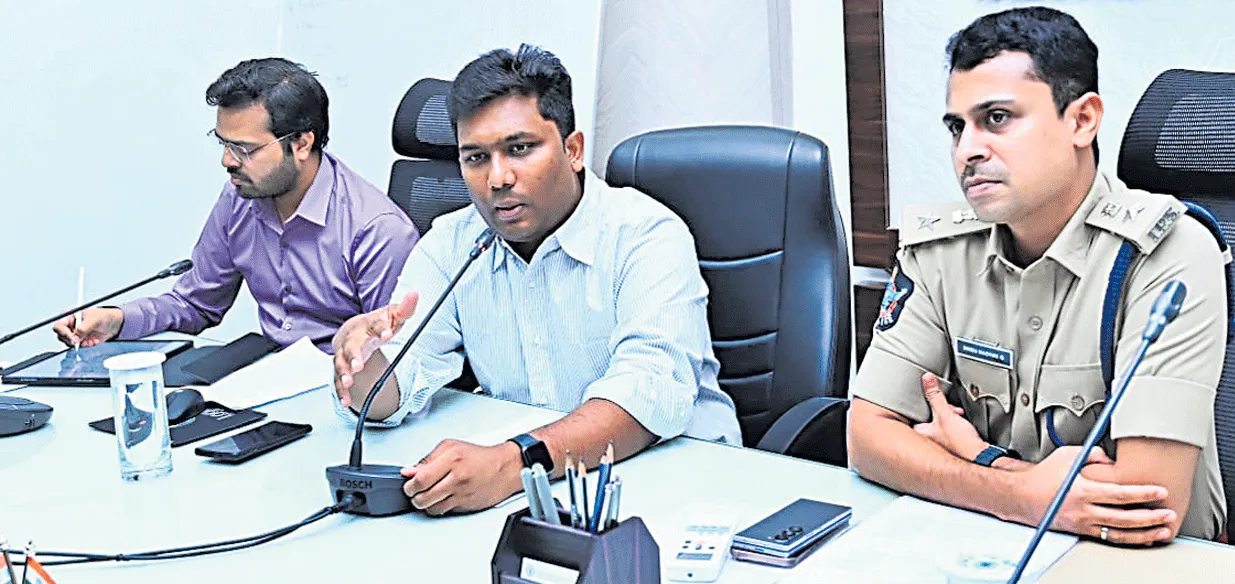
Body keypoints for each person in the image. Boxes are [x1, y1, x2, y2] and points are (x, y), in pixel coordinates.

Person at [847, 7, 1227, 544]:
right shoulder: (939, 252)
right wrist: (1017, 493)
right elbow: (866, 438)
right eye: (957, 127)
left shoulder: (1169, 253)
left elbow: (1145, 503)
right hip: (986, 547)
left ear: (1082, 120)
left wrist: (977, 457)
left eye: (997, 118)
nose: (967, 150)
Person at [331, 44, 741, 514]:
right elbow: (393, 393)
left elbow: (647, 394)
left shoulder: (646, 235)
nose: (498, 178)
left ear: (573, 150)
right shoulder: (452, 243)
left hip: (682, 483)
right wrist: (363, 363)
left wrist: (512, 464)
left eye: (520, 149)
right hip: (543, 489)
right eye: (475, 158)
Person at [53, 58, 419, 353]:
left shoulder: (377, 229)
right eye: (223, 144)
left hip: (340, 390)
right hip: (264, 375)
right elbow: (196, 303)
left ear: (302, 144)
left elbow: (392, 354)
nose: (227, 161)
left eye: (244, 149)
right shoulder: (241, 197)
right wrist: (116, 320)